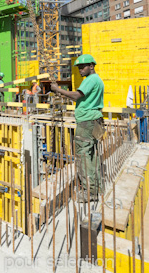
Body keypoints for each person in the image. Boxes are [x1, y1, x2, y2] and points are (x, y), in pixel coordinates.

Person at [50, 54, 104, 202]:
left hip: (87, 122)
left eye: (83, 67)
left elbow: (76, 96)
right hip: (95, 120)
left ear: (91, 66)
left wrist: (57, 89)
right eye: (79, 67)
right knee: (91, 154)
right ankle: (96, 188)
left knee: (83, 156)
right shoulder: (97, 80)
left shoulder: (90, 80)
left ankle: (89, 193)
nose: (80, 70)